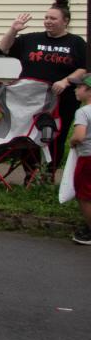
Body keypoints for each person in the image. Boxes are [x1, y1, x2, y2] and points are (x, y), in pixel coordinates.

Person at [0, 0, 87, 164]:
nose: (48, 21)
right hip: (29, 98)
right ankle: (30, 173)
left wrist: (65, 81)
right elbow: (4, 47)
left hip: (62, 99)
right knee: (28, 135)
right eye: (46, 18)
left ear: (65, 21)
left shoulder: (76, 43)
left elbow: (84, 68)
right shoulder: (31, 39)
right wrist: (14, 30)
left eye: (53, 18)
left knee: (55, 135)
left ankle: (49, 174)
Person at [68, 75, 91, 245]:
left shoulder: (82, 111)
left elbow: (80, 136)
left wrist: (72, 141)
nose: (75, 90)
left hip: (87, 158)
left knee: (84, 195)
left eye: (79, 87)